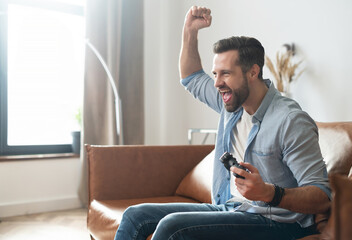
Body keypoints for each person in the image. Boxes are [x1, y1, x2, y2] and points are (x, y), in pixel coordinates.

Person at [114, 6, 331, 240]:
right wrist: (189, 32)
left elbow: (322, 196)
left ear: (253, 72)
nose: (217, 83)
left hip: (276, 221)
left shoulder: (289, 120)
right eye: (215, 74)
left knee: (172, 226)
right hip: (231, 208)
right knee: (135, 215)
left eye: (225, 73)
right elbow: (191, 77)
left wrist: (270, 193)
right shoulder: (231, 103)